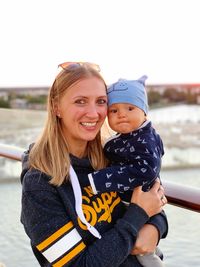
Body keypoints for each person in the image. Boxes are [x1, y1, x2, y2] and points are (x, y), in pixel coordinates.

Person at [20, 62, 168, 267]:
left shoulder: (112, 154)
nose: (93, 113)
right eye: (80, 101)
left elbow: (152, 195)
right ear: (56, 107)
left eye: (101, 101)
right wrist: (136, 219)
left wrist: (156, 227)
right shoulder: (39, 185)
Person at [87, 76, 165, 266]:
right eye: (114, 110)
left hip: (138, 203)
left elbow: (146, 171)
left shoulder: (144, 139)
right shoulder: (128, 137)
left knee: (145, 254)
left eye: (130, 108)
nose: (121, 115)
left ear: (144, 113)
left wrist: (99, 180)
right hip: (132, 206)